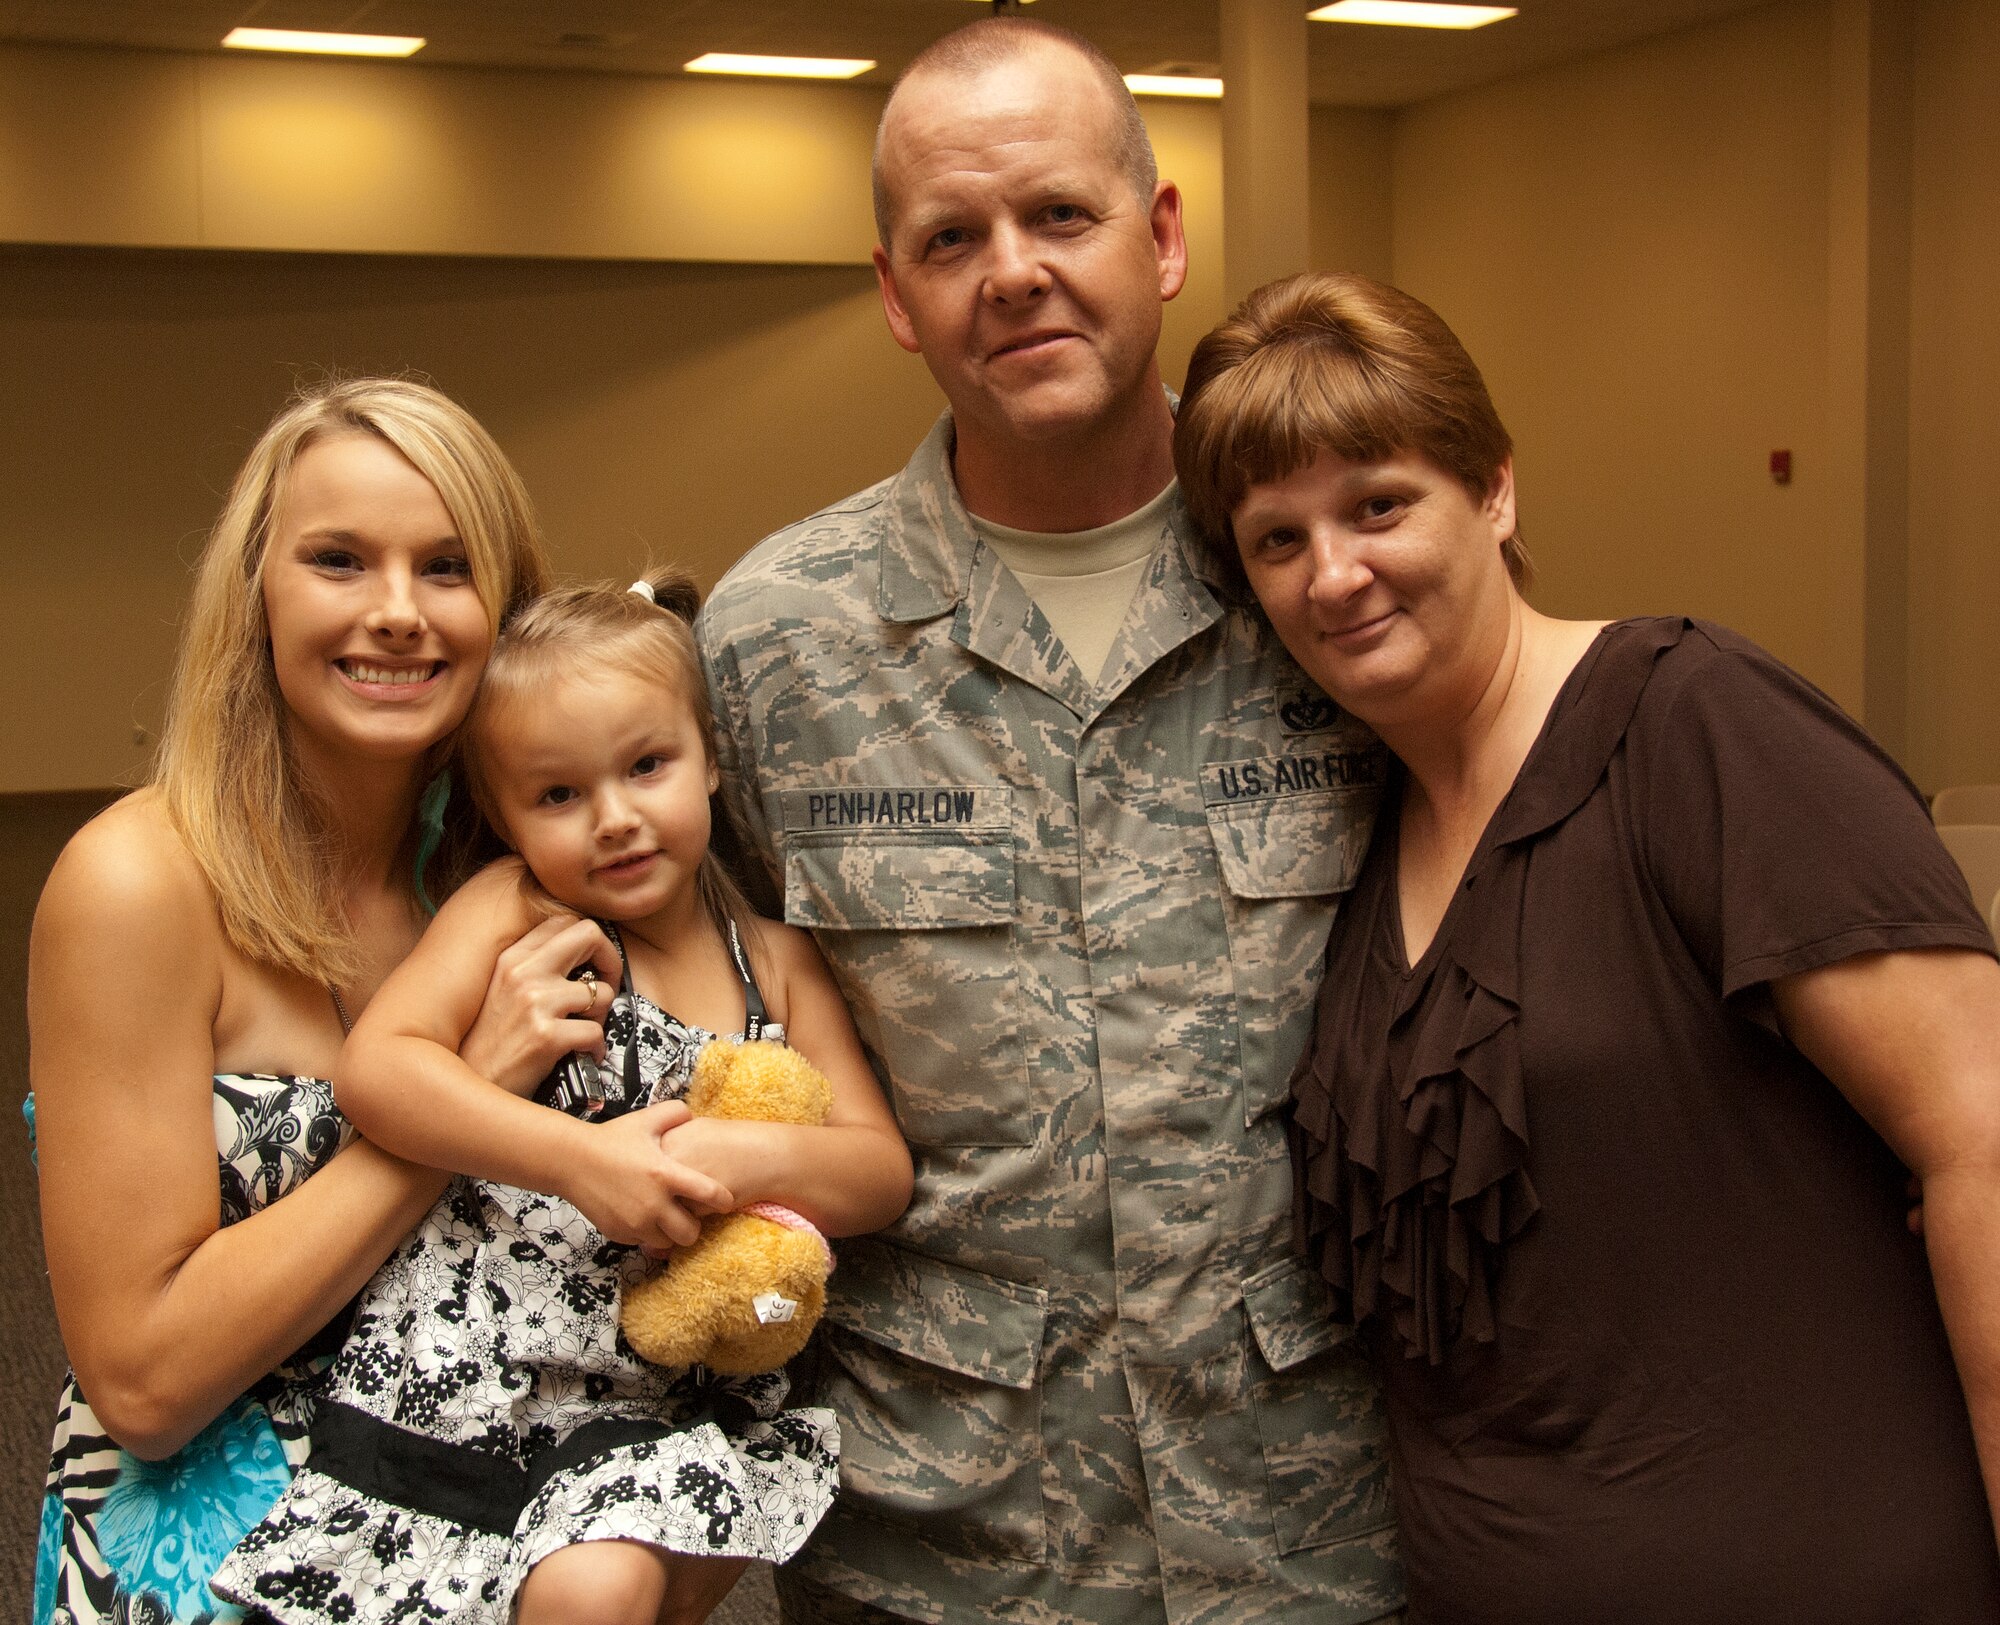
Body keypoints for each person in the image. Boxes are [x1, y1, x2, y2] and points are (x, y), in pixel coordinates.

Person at [698, 18, 1402, 1625]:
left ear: (1162, 241)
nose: (1009, 272)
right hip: (941, 1534)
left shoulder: (1324, 591)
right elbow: (714, 1011)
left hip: (1314, 1510)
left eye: (1059, 217)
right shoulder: (776, 641)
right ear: (896, 294)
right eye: (953, 239)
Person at [1173, 269, 2000, 1623]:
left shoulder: (1693, 727)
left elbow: (1983, 1140)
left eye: (1380, 504)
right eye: (1278, 538)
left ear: (1494, 491)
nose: (1336, 573)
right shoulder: (1359, 836)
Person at [214, 569, 913, 1625]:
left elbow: (877, 1171)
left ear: (709, 758)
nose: (615, 819)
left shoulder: (771, 961)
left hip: (661, 1392)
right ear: (499, 814)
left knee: (599, 1586)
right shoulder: (516, 908)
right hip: (468, 1375)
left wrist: (724, 1156)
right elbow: (381, 1070)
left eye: (646, 765)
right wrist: (583, 1160)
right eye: (558, 794)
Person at [28, 378, 592, 1624]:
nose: (397, 612)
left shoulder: (507, 872)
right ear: (257, 593)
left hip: (493, 1541)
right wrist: (460, 1101)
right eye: (338, 560)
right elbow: (142, 1377)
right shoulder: (137, 885)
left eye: (447, 567)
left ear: (504, 605)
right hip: (219, 1570)